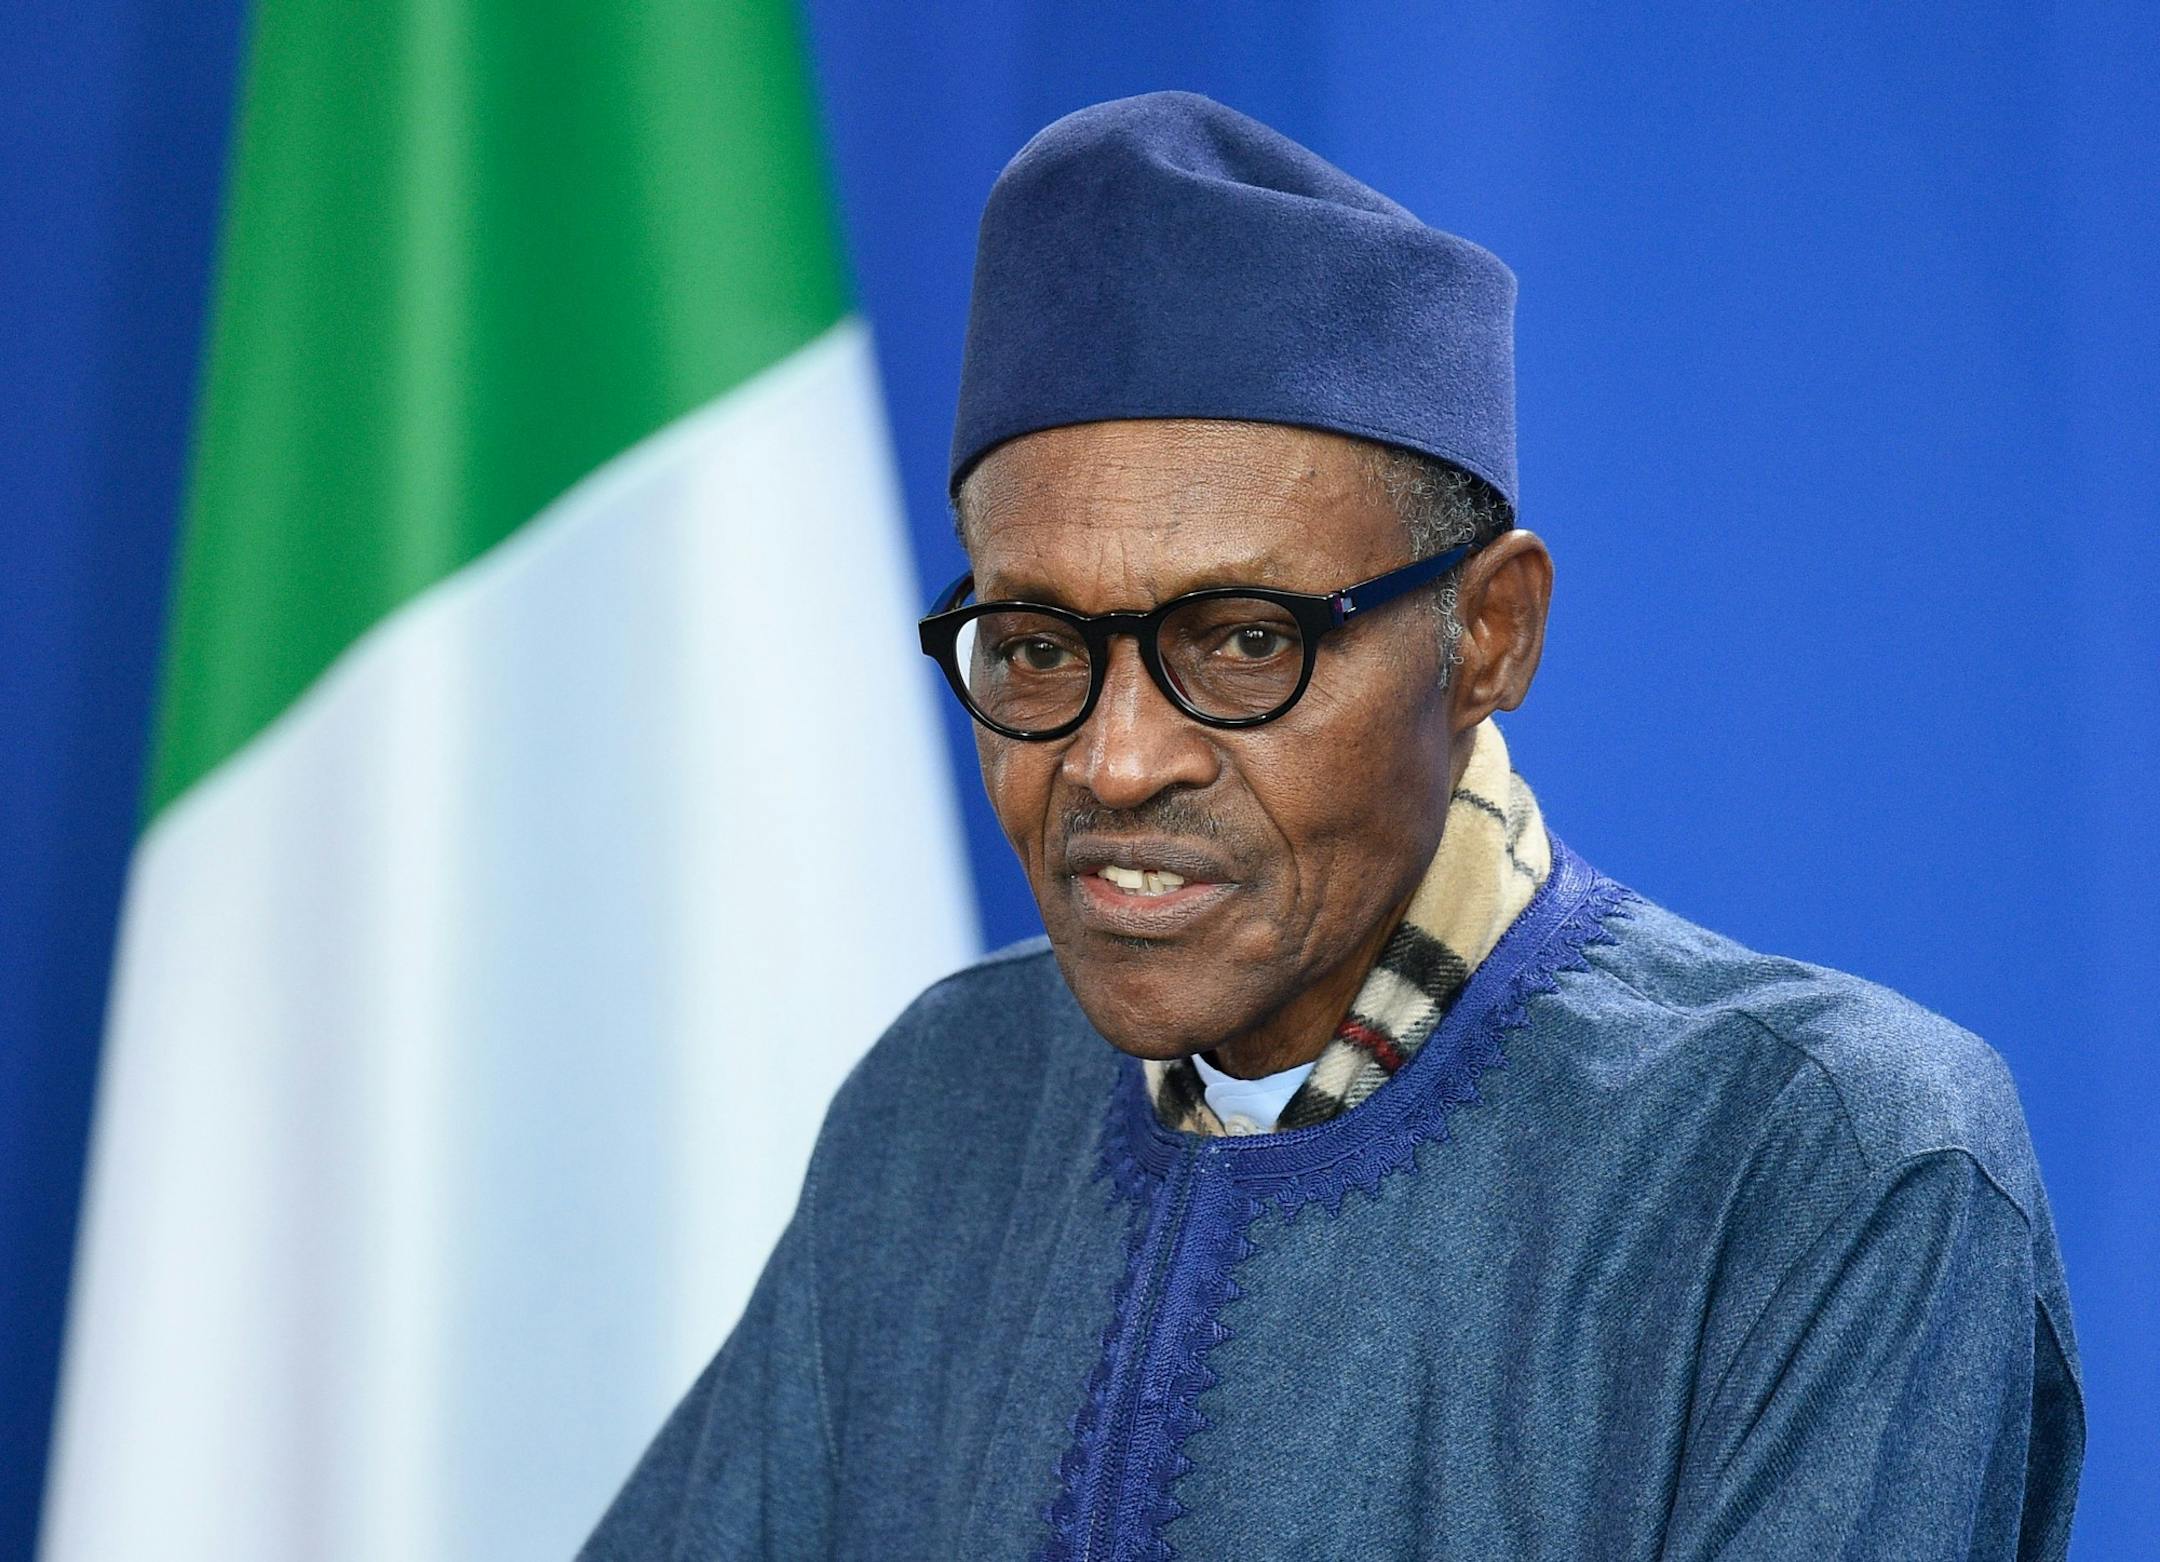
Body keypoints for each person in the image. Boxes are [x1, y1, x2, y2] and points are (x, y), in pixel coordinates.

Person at [581, 91, 2083, 1560]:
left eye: (1242, 641)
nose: (1111, 761)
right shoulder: (941, 1107)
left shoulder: (1824, 1168)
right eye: (1037, 644)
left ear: (1489, 634)